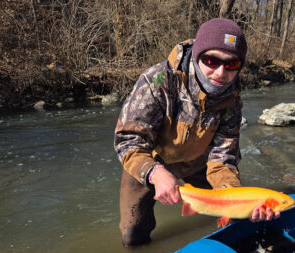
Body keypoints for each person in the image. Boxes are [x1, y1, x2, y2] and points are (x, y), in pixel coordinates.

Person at [114, 18, 279, 248]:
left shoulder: (232, 100)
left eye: (231, 65)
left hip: (199, 164)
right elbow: (128, 141)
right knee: (132, 236)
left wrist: (240, 201)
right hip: (147, 161)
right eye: (212, 60)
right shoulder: (158, 80)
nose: (221, 72)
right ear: (197, 55)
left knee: (235, 216)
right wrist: (155, 172)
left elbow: (222, 160)